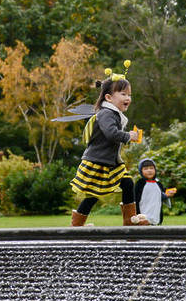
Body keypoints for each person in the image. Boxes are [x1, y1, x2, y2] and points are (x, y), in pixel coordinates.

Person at [69, 75, 148, 227]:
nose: (128, 98)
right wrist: (128, 136)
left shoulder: (113, 114)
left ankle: (130, 220)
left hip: (110, 161)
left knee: (127, 184)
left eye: (129, 95)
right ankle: (77, 225)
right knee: (93, 194)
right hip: (97, 161)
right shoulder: (106, 113)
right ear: (109, 98)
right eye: (123, 94)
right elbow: (111, 134)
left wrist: (127, 137)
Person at [134, 158, 177, 225]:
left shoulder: (158, 183)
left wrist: (168, 194)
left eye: (151, 168)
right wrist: (136, 213)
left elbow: (161, 194)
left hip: (156, 213)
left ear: (155, 170)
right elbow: (135, 199)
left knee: (155, 228)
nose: (149, 171)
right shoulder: (140, 184)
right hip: (142, 215)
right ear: (141, 171)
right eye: (146, 169)